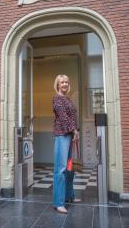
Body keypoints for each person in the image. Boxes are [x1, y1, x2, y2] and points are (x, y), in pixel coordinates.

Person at [52, 74, 81, 214]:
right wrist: (74, 130)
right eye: (62, 82)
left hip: (70, 135)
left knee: (70, 169)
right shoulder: (57, 99)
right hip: (62, 135)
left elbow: (72, 116)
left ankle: (69, 196)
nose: (64, 84)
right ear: (58, 84)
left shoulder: (67, 99)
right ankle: (58, 203)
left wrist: (76, 132)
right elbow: (63, 117)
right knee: (61, 169)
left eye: (66, 82)